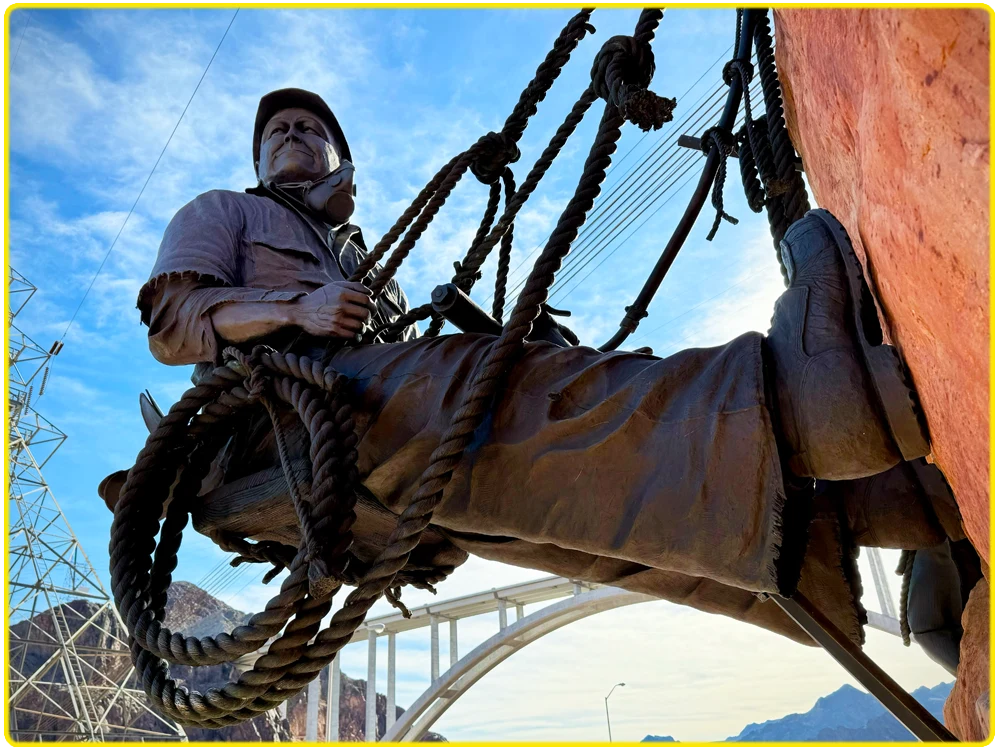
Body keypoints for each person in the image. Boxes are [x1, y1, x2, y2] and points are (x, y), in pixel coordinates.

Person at [122, 87, 965, 651]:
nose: (290, 136)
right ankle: (809, 400)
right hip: (287, 420)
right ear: (261, 160)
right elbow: (175, 323)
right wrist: (297, 313)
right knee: (519, 392)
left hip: (345, 447)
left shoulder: (357, 261)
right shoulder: (222, 212)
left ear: (342, 162)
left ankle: (861, 520)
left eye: (309, 129)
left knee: (557, 504)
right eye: (277, 132)